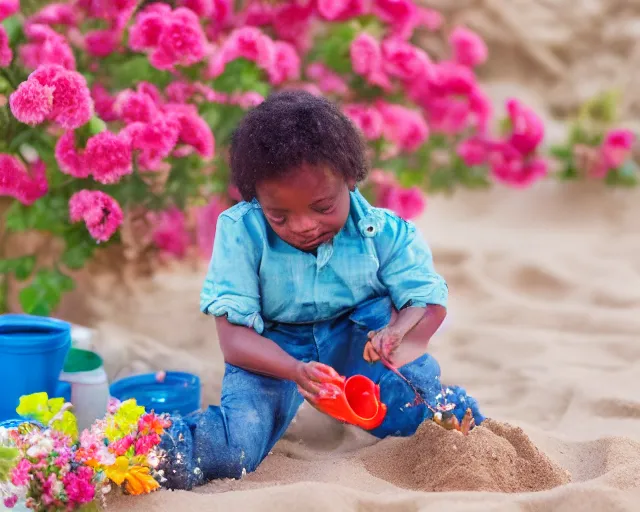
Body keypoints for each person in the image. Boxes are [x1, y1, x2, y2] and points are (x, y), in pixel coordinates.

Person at [159, 90, 484, 489]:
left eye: (323, 207)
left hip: (360, 336)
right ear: (256, 198)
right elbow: (234, 339)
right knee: (235, 447)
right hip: (274, 348)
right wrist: (294, 370)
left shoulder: (385, 232)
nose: (302, 226)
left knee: (433, 414)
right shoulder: (240, 230)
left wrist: (397, 333)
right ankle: (150, 449)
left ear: (349, 177)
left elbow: (426, 303)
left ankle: (474, 439)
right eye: (279, 216)